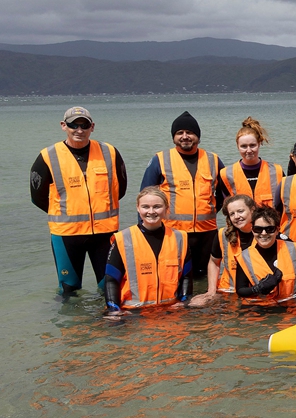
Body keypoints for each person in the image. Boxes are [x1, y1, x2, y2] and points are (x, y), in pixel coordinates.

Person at [31, 106, 128, 297]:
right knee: (69, 288)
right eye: (73, 125)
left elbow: (120, 189)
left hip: (104, 233)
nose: (79, 130)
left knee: (109, 285)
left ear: (92, 127)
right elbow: (38, 197)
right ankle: (73, 325)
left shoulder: (109, 152)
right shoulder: (47, 157)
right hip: (67, 235)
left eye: (84, 125)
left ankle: (107, 325)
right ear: (63, 126)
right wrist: (66, 213)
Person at [140, 111, 225, 281]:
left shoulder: (213, 160)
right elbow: (145, 196)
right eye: (180, 133)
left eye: (190, 132)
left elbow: (225, 194)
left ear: (198, 137)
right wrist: (144, 230)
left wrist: (210, 210)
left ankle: (202, 307)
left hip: (206, 233)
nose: (185, 136)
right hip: (173, 233)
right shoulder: (160, 159)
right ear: (173, 137)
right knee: (173, 277)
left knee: (204, 277)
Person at [103, 187, 191, 317]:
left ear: (166, 209)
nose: (151, 212)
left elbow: (187, 276)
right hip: (132, 312)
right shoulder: (123, 238)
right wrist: (114, 310)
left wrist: (184, 302)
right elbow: (111, 279)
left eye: (157, 207)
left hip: (169, 310)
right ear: (138, 208)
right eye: (145, 207)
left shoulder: (180, 238)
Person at [235, 205, 296, 304]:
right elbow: (240, 290)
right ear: (252, 230)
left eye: (269, 229)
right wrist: (257, 289)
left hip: (292, 305)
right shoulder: (244, 257)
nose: (264, 233)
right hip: (261, 310)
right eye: (258, 229)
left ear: (277, 230)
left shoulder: (293, 249)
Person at [190, 194, 256, 307]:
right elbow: (214, 262)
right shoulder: (223, 235)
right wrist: (211, 290)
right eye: (232, 214)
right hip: (229, 290)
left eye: (240, 211)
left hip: (256, 291)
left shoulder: (266, 233)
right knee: (196, 303)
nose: (236, 216)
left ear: (252, 210)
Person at [219, 117, 283, 207]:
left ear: (259, 144)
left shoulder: (276, 171)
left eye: (252, 145)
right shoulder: (226, 174)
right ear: (238, 146)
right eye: (244, 146)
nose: (249, 150)